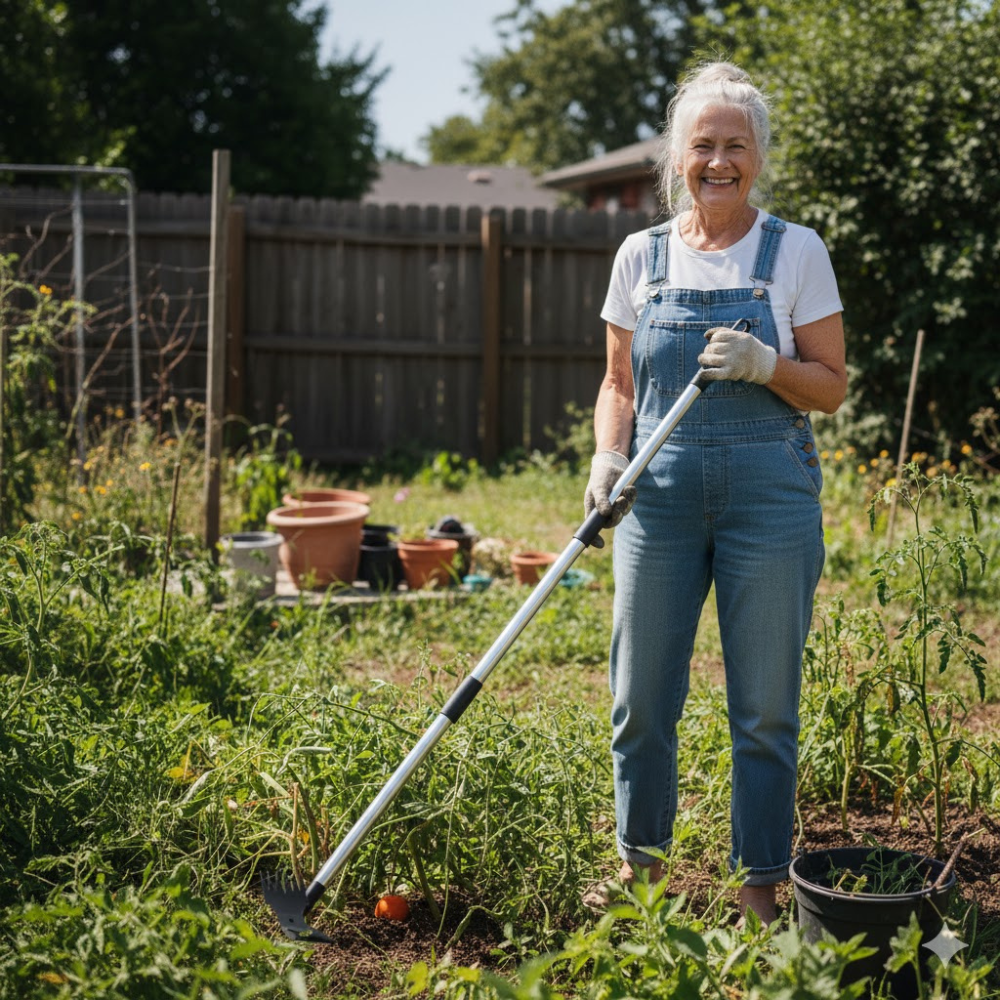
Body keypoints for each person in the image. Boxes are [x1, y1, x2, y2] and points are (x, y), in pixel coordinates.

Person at [582, 62, 847, 924]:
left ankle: (759, 891)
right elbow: (619, 381)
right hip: (654, 500)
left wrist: (770, 365)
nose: (720, 161)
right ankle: (643, 881)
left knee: (765, 706)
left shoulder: (794, 251)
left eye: (737, 145)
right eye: (704, 145)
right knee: (640, 699)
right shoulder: (642, 255)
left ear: (759, 156)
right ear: (677, 156)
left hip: (769, 500)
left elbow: (832, 385)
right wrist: (605, 459)